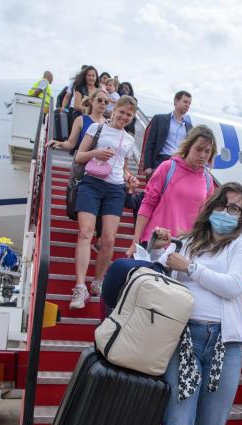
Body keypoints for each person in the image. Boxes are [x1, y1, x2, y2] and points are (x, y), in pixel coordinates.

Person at [153, 182, 242, 425]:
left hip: (224, 346)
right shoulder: (187, 242)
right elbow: (161, 272)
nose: (226, 212)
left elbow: (233, 286)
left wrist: (191, 268)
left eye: (234, 208)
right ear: (211, 207)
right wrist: (157, 247)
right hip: (185, 340)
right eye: (222, 205)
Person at [69, 96, 139, 309]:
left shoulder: (129, 140)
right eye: (122, 112)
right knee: (85, 233)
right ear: (114, 109)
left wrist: (130, 178)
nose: (124, 117)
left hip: (115, 189)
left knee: (108, 239)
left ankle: (98, 281)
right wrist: (96, 153)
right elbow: (79, 156)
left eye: (129, 115)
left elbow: (123, 167)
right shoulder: (97, 129)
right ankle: (80, 287)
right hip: (91, 183)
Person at [126, 124, 216, 257]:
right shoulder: (167, 168)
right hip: (154, 244)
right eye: (198, 149)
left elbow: (203, 219)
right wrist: (135, 241)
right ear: (189, 146)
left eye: (207, 151)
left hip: (182, 250)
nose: (202, 155)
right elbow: (147, 204)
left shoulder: (208, 180)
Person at [142, 90, 193, 177]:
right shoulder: (159, 119)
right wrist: (147, 166)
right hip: (160, 162)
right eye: (185, 102)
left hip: (179, 164)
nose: (187, 105)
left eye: (189, 103)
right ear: (176, 101)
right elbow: (150, 143)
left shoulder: (190, 127)